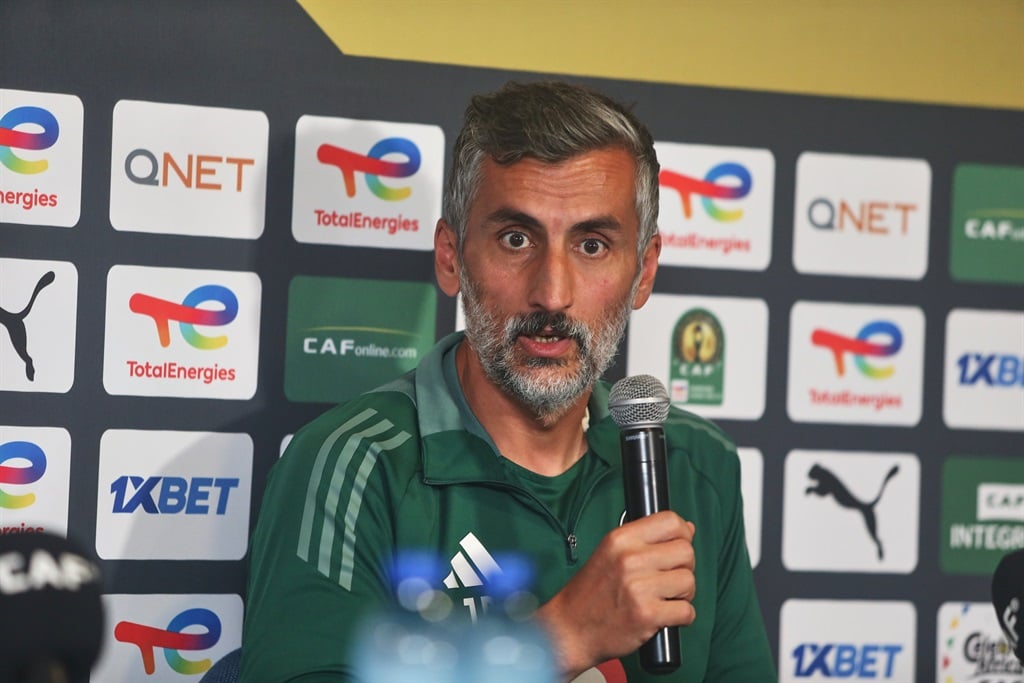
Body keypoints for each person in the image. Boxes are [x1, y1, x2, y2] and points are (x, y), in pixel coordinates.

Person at [240, 80, 776, 682]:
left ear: (644, 272)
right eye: (516, 239)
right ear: (452, 257)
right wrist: (559, 638)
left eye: (593, 245)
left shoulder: (695, 464)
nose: (552, 293)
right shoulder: (351, 464)